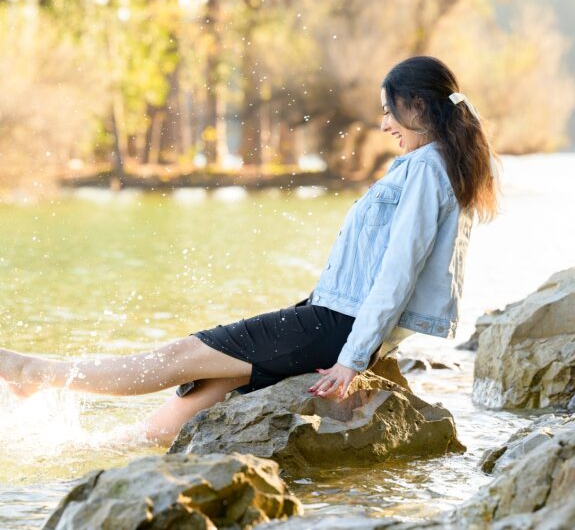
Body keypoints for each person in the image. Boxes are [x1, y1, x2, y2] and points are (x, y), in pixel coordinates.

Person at [0, 55, 501, 447]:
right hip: (336, 318)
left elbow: (398, 270)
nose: (384, 121)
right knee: (208, 386)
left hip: (341, 327)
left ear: (416, 106)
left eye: (388, 108)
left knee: (180, 357)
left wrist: (351, 360)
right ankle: (116, 452)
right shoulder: (439, 166)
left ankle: (34, 373)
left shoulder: (425, 170)